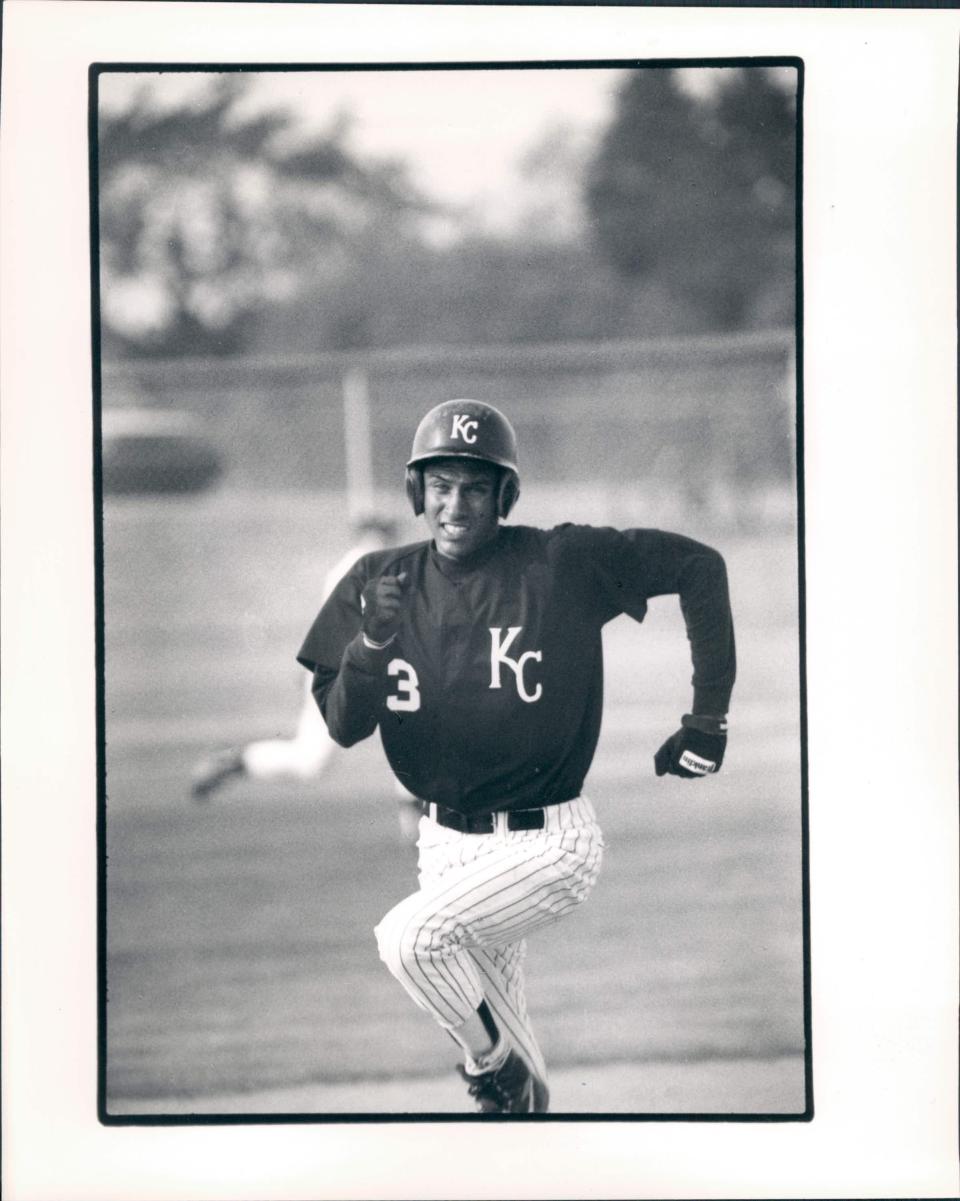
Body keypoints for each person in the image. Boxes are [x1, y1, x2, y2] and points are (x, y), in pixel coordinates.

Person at [296, 399, 735, 1114]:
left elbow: (699, 565)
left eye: (475, 485)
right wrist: (371, 644)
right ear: (417, 492)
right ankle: (517, 1098)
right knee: (523, 1100)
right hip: (443, 845)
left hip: (548, 841)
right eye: (440, 483)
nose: (455, 502)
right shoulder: (378, 581)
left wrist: (707, 718)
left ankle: (490, 1063)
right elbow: (344, 726)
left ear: (504, 495)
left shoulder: (559, 562)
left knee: (409, 938)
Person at [191, 516, 421, 841]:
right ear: (373, 535)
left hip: (351, 671)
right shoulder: (366, 566)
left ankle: (234, 761)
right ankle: (233, 761)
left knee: (399, 733)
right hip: (345, 675)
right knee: (315, 759)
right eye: (384, 534)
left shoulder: (360, 567)